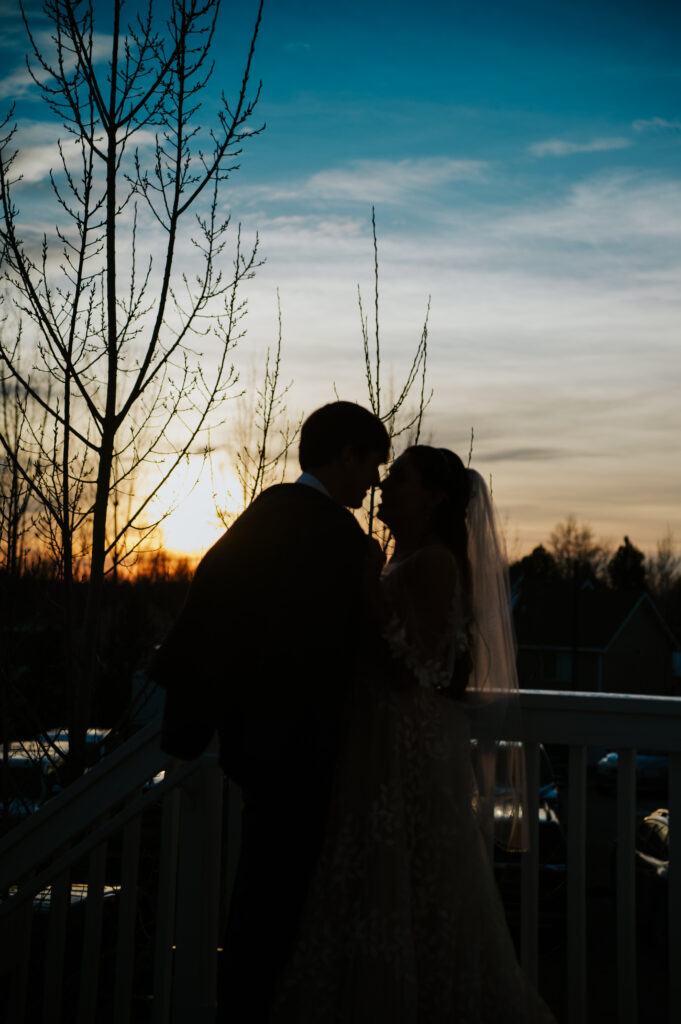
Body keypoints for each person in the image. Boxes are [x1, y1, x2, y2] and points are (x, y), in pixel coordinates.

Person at [270, 445, 557, 1023]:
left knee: (419, 883)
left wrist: (370, 590)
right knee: (377, 886)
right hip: (378, 741)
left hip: (410, 747)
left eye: (397, 478)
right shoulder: (404, 557)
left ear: (433, 497)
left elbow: (414, 668)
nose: (382, 486)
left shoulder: (435, 564)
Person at [150, 401, 390, 1024]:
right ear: (345, 456)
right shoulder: (341, 540)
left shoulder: (267, 511)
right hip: (303, 752)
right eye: (372, 463)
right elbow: (347, 649)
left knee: (259, 896)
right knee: (279, 906)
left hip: (254, 746)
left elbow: (212, 599)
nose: (375, 480)